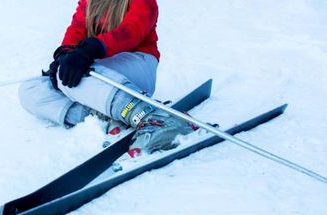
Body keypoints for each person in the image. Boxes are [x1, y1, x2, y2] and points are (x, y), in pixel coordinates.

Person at [19, 0, 195, 157]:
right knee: (31, 90)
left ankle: (156, 118)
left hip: (137, 65)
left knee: (75, 77)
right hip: (102, 71)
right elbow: (76, 29)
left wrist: (93, 48)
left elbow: (132, 31)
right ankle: (107, 117)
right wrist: (64, 56)